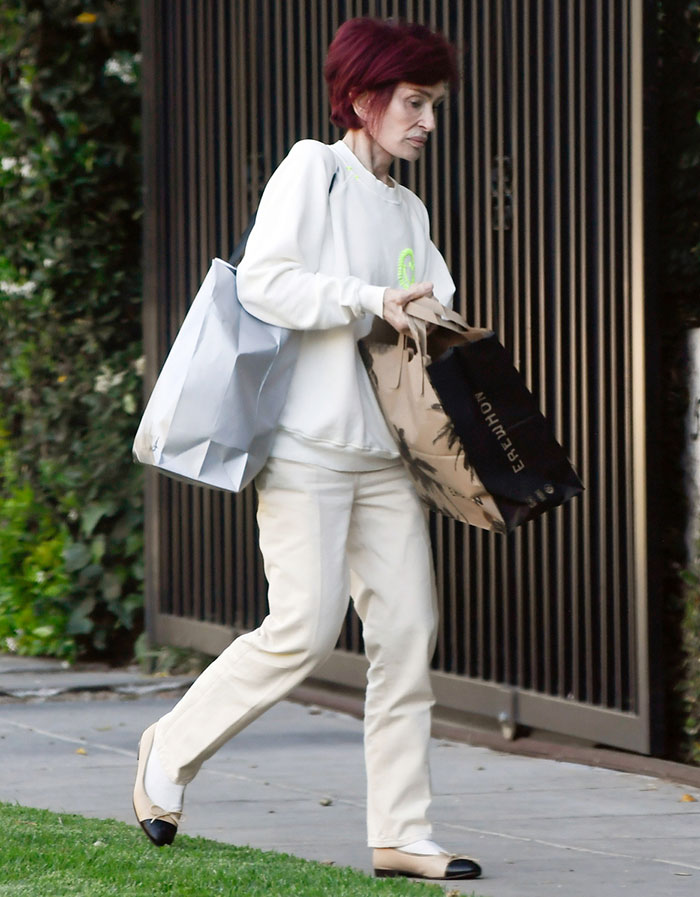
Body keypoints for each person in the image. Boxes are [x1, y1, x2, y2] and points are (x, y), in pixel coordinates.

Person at [132, 17, 481, 882]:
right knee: (302, 627)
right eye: (414, 101)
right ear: (363, 98)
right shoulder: (310, 168)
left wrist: (434, 315)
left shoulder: (407, 205)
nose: (427, 119)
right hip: (308, 450)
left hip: (385, 459)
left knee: (408, 635)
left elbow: (431, 301)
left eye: (432, 104)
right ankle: (166, 749)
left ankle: (402, 831)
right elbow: (266, 280)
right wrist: (368, 297)